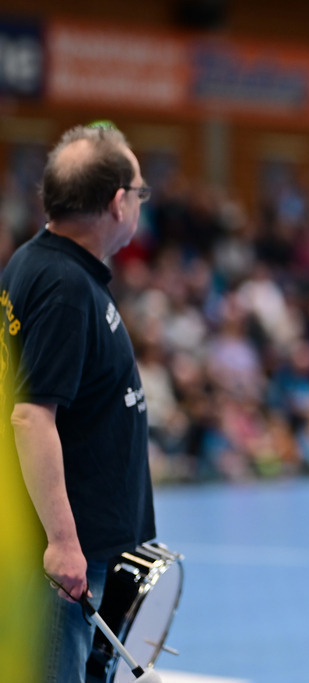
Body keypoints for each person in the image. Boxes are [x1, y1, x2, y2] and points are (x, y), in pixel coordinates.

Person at [0, 124, 157, 682]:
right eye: (139, 192)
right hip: (65, 553)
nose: (139, 202)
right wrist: (64, 544)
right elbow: (31, 413)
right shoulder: (63, 285)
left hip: (80, 541)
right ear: (118, 203)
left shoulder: (44, 265)